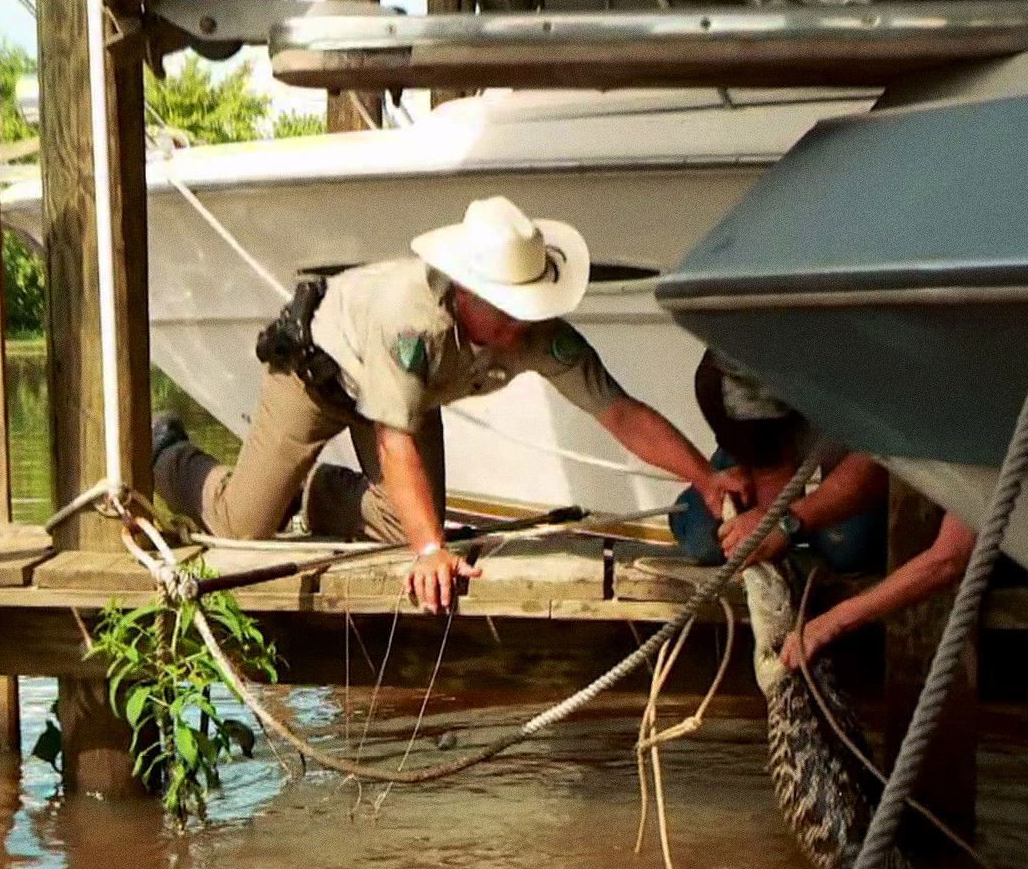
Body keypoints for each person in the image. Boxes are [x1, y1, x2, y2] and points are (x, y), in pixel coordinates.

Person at [153, 197, 749, 614]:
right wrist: (432, 553)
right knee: (242, 528)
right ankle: (166, 452)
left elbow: (619, 411)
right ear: (464, 291)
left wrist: (705, 477)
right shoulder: (410, 322)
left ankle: (310, 493)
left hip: (401, 400)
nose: (519, 324)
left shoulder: (539, 331)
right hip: (319, 370)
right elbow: (396, 439)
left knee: (405, 526)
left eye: (528, 305)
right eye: (503, 307)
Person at [686, 351, 979, 670]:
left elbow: (949, 557)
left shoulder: (957, 407)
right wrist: (749, 508)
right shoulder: (730, 377)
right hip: (781, 400)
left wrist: (831, 622)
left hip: (859, 415)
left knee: (847, 548)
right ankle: (717, 484)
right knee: (705, 541)